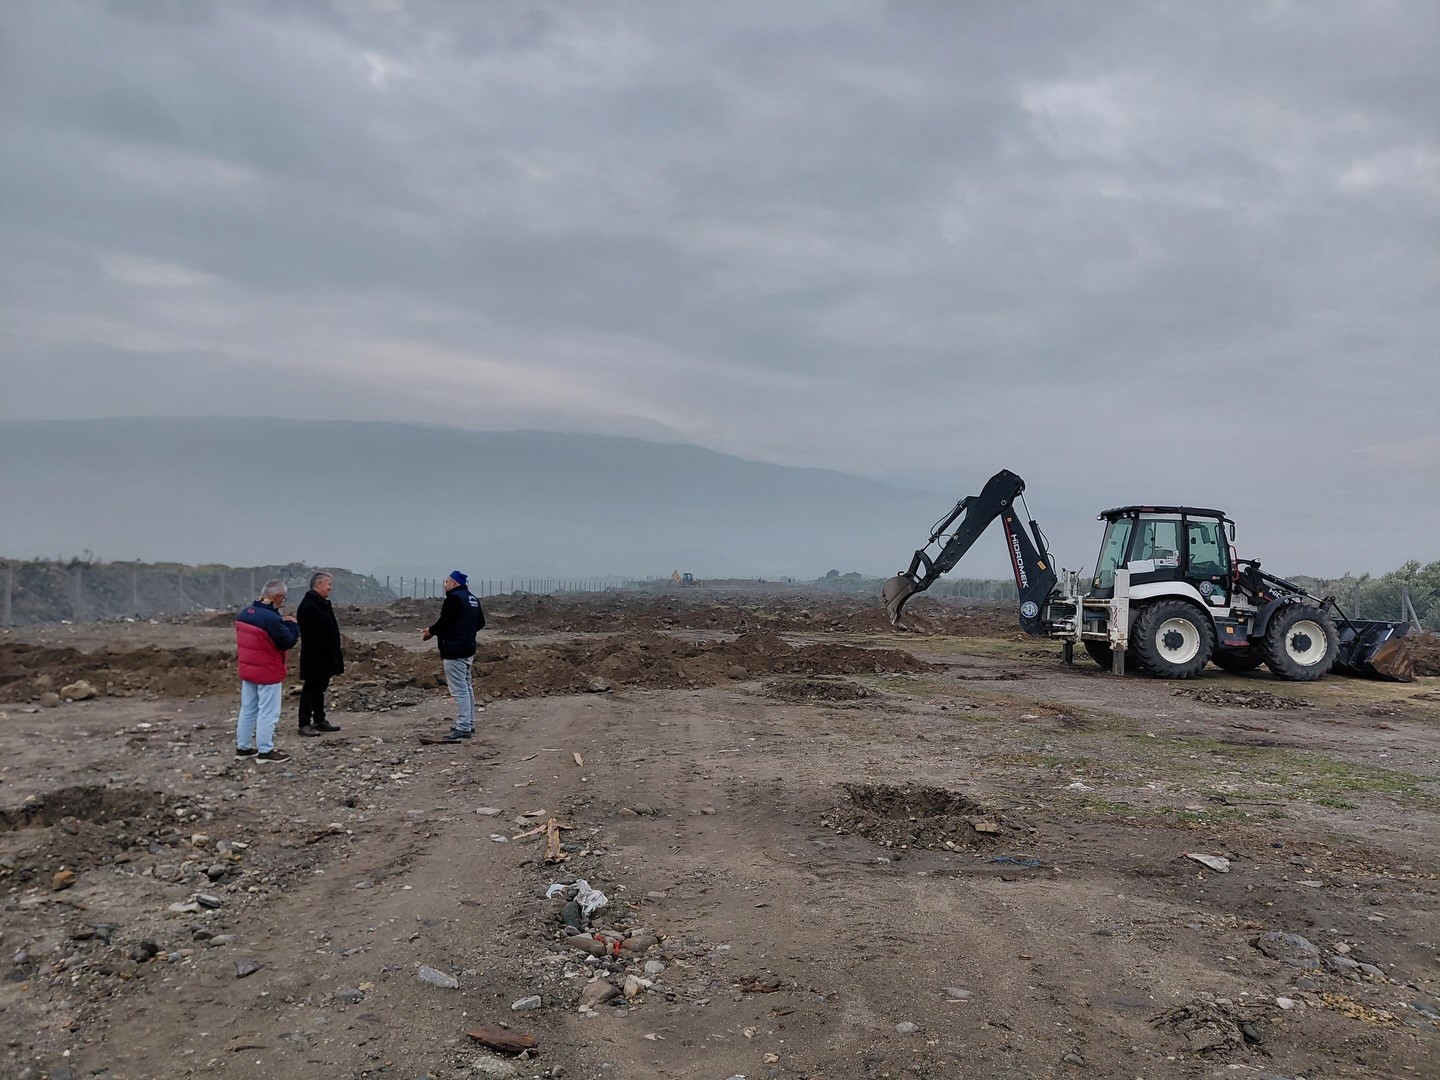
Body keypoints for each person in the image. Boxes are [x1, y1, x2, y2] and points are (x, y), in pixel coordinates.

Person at [235, 579, 300, 763]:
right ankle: (265, 751)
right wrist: (293, 625)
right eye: (283, 599)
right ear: (278, 596)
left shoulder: (245, 613)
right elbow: (286, 641)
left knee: (248, 709)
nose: (282, 603)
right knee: (268, 712)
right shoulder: (270, 618)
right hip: (267, 671)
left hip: (248, 669)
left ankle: (243, 747)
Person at [422, 570, 484, 742]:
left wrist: (431, 631)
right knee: (466, 686)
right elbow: (481, 622)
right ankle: (469, 722)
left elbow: (445, 621)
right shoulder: (472, 599)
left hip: (454, 649)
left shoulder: (454, 599)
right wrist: (466, 632)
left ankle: (463, 726)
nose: (445, 585)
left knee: (460, 689)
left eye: (447, 582)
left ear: (454, 583)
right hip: (468, 648)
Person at [296, 570, 344, 736]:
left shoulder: (319, 603)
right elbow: (316, 635)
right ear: (319, 584)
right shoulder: (309, 606)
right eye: (328, 584)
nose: (330, 588)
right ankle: (304, 723)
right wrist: (328, 651)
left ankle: (319, 719)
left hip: (324, 657)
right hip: (315, 657)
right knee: (310, 688)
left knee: (319, 689)